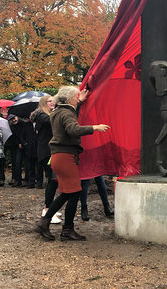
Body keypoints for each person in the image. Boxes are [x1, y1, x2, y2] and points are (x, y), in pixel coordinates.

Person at [35, 86, 110, 241]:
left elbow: (68, 119)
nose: (78, 99)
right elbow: (73, 129)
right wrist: (94, 127)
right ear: (69, 98)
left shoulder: (57, 111)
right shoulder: (66, 112)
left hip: (59, 157)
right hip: (65, 157)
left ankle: (57, 225)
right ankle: (55, 225)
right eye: (76, 97)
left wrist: (81, 102)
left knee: (70, 193)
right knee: (73, 192)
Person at [30, 95, 61, 224]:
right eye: (50, 101)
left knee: (54, 180)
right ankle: (47, 209)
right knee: (52, 180)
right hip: (46, 152)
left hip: (49, 151)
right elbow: (52, 121)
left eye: (54, 101)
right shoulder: (42, 116)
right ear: (44, 103)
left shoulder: (47, 114)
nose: (53, 103)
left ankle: (50, 207)